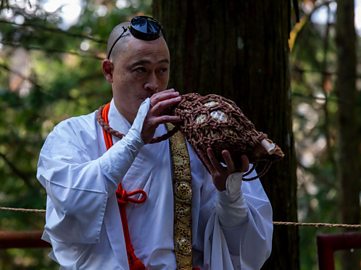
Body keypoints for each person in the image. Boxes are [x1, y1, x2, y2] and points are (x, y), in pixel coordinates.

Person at [36, 15, 273, 270]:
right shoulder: (72, 136)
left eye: (162, 70)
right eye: (140, 70)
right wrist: (134, 140)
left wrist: (231, 193)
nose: (153, 84)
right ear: (109, 71)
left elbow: (247, 250)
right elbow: (72, 204)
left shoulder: (197, 138)